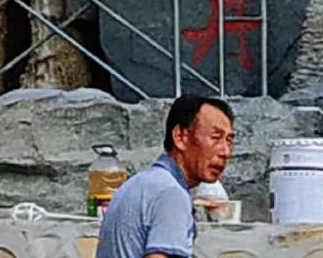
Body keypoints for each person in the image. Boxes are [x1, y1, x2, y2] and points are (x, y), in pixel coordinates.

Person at [96, 95, 236, 258]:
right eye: (215, 138)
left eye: (229, 141)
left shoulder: (140, 183)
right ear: (180, 137)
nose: (225, 152)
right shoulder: (171, 193)